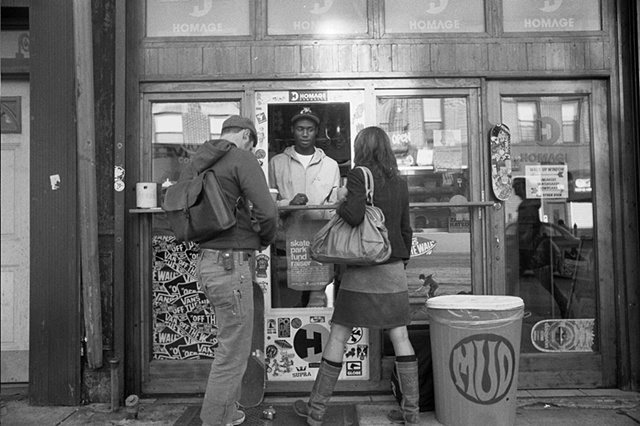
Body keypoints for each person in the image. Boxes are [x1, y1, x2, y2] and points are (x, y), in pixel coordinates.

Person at [293, 126, 418, 426]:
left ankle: (316, 412)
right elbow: (405, 228)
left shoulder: (359, 175)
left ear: (361, 148)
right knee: (400, 336)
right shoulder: (400, 182)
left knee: (339, 334)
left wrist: (340, 200)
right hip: (392, 270)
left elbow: (355, 216)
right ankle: (411, 413)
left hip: (361, 271)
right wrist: (401, 262)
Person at [179, 115, 278, 426]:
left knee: (229, 345)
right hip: (231, 264)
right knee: (233, 353)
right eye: (253, 142)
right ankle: (212, 420)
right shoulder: (241, 158)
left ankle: (228, 412)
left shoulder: (198, 161)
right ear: (247, 136)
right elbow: (267, 210)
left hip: (206, 263)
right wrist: (264, 239)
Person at [268, 107, 341, 307]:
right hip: (287, 244)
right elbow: (267, 202)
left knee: (316, 300)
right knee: (289, 301)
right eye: (300, 129)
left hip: (319, 243)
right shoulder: (277, 163)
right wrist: (288, 204)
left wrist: (320, 211)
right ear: (293, 130)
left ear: (317, 131)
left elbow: (335, 206)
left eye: (310, 129)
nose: (305, 133)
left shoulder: (331, 165)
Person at [513, 177, 568, 318]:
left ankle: (563, 304)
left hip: (532, 250)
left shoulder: (530, 204)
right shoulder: (528, 204)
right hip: (527, 249)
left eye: (517, 186)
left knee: (544, 282)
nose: (514, 190)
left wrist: (524, 239)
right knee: (519, 282)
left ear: (524, 187)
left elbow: (531, 226)